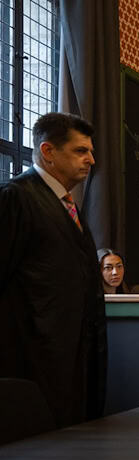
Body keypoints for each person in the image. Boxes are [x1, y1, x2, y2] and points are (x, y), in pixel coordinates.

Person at [0, 112, 106, 428]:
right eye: (80, 151)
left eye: (90, 150)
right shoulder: (16, 197)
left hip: (73, 356)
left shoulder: (66, 205)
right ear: (48, 152)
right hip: (33, 359)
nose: (91, 159)